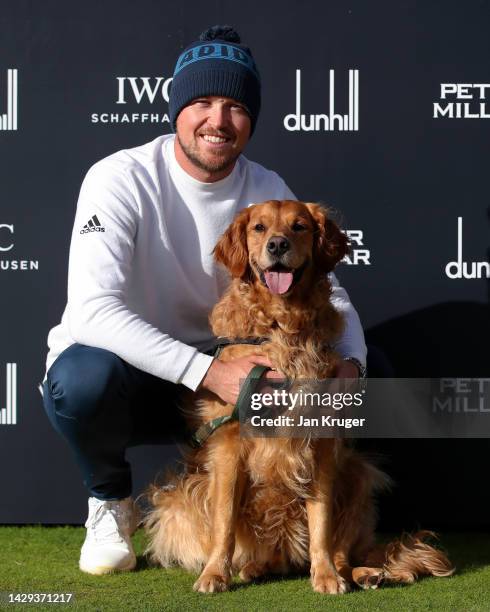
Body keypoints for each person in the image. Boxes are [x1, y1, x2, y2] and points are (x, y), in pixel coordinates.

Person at [42, 25, 367, 575]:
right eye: (201, 102)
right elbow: (91, 311)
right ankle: (108, 500)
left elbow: (328, 288)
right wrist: (206, 372)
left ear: (250, 121)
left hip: (235, 370)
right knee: (81, 379)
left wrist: (352, 364)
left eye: (235, 106)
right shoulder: (119, 178)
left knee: (362, 374)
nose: (218, 121)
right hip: (138, 375)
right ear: (176, 111)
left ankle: (310, 530)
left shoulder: (267, 186)